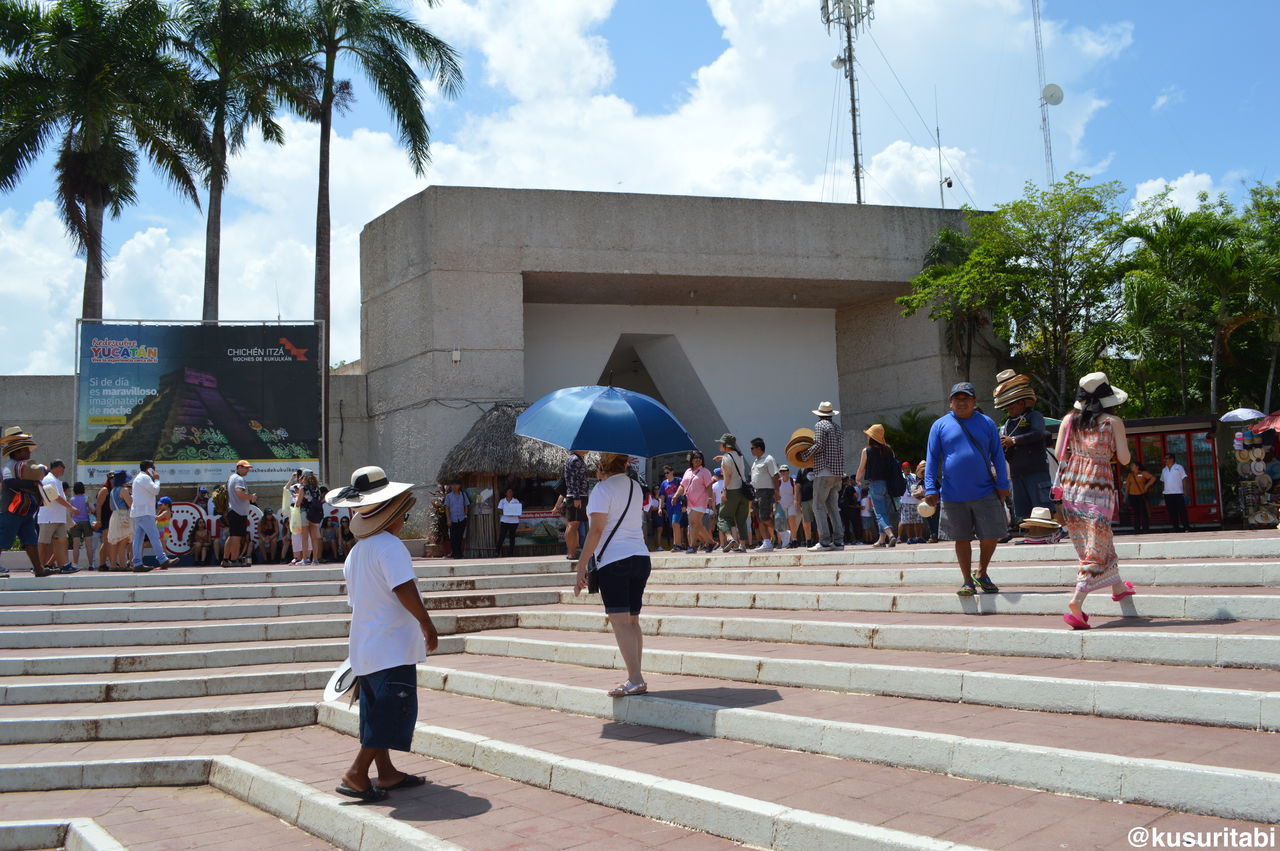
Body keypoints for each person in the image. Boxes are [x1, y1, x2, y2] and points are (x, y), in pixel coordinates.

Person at [327, 466, 437, 802]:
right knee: (391, 714)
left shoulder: (357, 552)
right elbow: (403, 588)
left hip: (366, 647)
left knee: (376, 713)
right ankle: (357, 773)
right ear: (392, 513)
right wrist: (426, 623)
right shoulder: (390, 546)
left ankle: (386, 772)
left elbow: (358, 599)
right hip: (390, 648)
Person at [1056, 372, 1136, 629]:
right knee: (1094, 549)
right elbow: (1124, 459)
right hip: (1098, 489)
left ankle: (1119, 587)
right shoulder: (1113, 422)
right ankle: (1077, 602)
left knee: (1097, 541)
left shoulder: (1069, 420)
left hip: (1072, 489)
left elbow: (1060, 454)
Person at [572, 452, 651, 697]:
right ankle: (636, 676)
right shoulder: (636, 488)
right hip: (640, 556)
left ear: (601, 468)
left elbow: (596, 530)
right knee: (633, 620)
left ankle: (635, 679)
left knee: (620, 622)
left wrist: (581, 565)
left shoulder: (601, 490)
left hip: (615, 560)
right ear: (625, 464)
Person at [923, 382, 1011, 596]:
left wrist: (1003, 484)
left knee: (991, 535)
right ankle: (967, 581)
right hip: (953, 493)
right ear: (950, 402)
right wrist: (930, 488)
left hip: (985, 490)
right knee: (961, 538)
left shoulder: (987, 423)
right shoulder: (940, 425)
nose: (962, 402)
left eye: (966, 399)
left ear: (974, 402)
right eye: (957, 399)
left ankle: (981, 572)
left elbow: (998, 455)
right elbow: (932, 458)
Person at [994, 370, 1053, 531]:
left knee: (1041, 507)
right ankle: (1032, 534)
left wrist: (1013, 440)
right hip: (1017, 473)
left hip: (1035, 470)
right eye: (1008, 406)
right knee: (1024, 508)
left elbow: (1038, 433)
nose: (1010, 409)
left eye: (1012, 405)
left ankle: (1046, 533)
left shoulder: (1035, 416)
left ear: (1021, 402)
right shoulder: (1007, 424)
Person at [799, 401, 846, 551]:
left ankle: (825, 541)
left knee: (818, 506)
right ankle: (839, 541)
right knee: (833, 507)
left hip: (824, 471)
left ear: (819, 415)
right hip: (837, 473)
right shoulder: (837, 428)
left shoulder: (820, 426)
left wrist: (805, 455)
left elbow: (819, 444)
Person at [0, 428, 46, 576]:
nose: (29, 452)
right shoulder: (9, 466)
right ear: (17, 451)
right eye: (25, 450)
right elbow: (8, 484)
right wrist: (33, 484)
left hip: (25, 509)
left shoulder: (23, 467)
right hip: (11, 509)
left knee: (30, 540)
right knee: (3, 539)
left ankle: (39, 569)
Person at [856, 424, 898, 548]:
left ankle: (890, 535)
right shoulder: (888, 449)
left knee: (879, 513)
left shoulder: (866, 450)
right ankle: (881, 540)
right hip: (888, 484)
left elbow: (861, 468)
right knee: (884, 512)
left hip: (875, 484)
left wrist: (857, 479)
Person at [131, 461, 174, 572]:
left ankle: (137, 563)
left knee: (138, 539)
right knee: (154, 536)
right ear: (149, 469)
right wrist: (157, 479)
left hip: (138, 513)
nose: (155, 470)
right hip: (145, 512)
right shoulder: (145, 478)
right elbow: (155, 490)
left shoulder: (139, 478)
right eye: (153, 468)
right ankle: (163, 559)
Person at [37, 460, 77, 573]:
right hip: (49, 517)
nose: (63, 470)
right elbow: (55, 497)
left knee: (62, 541)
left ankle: (63, 565)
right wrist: (71, 508)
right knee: (43, 542)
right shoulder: (49, 479)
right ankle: (38, 566)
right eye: (62, 467)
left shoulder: (55, 480)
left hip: (58, 517)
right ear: (58, 467)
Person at [714, 434, 750, 552]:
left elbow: (728, 475)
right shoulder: (739, 455)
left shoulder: (726, 457)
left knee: (723, 517)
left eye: (721, 443)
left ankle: (730, 539)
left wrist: (724, 490)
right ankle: (743, 545)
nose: (719, 445)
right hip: (743, 491)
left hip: (732, 490)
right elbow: (732, 461)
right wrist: (722, 458)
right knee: (741, 519)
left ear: (726, 445)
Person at [676, 451, 715, 554]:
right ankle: (711, 543)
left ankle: (692, 546)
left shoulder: (705, 471)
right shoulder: (688, 471)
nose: (698, 459)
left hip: (700, 501)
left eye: (700, 458)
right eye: (695, 457)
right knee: (698, 525)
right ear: (691, 460)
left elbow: (709, 486)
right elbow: (682, 485)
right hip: (689, 502)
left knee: (693, 523)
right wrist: (676, 495)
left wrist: (710, 499)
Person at [747, 438, 781, 552]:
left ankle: (781, 532)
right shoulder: (756, 461)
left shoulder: (768, 459)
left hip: (766, 491)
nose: (751, 450)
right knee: (759, 519)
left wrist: (776, 491)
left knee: (765, 517)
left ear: (759, 448)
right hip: (756, 492)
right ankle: (766, 542)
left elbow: (775, 476)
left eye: (752, 448)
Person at [223, 460, 257, 567]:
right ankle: (233, 560)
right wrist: (251, 497)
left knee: (232, 536)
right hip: (238, 512)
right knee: (237, 538)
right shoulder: (239, 479)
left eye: (248, 468)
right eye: (245, 468)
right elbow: (239, 493)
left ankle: (225, 559)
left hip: (233, 510)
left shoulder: (231, 477)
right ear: (239, 467)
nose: (247, 470)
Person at [561, 449, 588, 560]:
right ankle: (571, 553)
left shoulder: (577, 459)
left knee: (575, 525)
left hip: (578, 496)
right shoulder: (575, 460)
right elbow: (573, 480)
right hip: (576, 497)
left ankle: (574, 551)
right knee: (572, 525)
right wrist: (576, 497)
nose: (587, 449)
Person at [106, 471, 133, 571]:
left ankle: (113, 565)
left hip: (114, 516)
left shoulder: (112, 491)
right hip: (123, 515)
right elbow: (130, 504)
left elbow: (110, 506)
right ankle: (122, 565)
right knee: (123, 541)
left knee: (114, 541)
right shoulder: (124, 490)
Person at [1161, 453, 1191, 533]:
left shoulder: (1179, 467)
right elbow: (1163, 481)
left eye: (1167, 458)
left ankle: (1186, 527)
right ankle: (1176, 528)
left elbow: (1184, 479)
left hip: (1178, 492)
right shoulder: (1164, 470)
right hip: (1167, 493)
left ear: (1172, 459)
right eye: (1165, 459)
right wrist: (1163, 492)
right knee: (1172, 511)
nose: (1165, 460)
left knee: (1182, 511)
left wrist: (1185, 491)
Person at [1124, 461, 1157, 534]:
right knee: (1136, 513)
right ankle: (1137, 529)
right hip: (1132, 495)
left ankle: (1145, 529)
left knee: (1144, 512)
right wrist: (1125, 497)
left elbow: (1153, 478)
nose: (1131, 467)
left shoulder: (1143, 473)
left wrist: (1147, 486)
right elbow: (1127, 486)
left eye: (1133, 465)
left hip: (1141, 495)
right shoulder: (1130, 475)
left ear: (1137, 467)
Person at [899, 462, 925, 544]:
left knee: (918, 520)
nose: (907, 469)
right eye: (905, 468)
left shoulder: (914, 476)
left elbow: (919, 485)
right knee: (907, 521)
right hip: (905, 501)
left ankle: (918, 537)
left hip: (916, 501)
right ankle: (910, 538)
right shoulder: (900, 477)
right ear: (902, 469)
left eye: (908, 467)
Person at [657, 466, 682, 551]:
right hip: (669, 507)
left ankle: (678, 545)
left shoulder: (678, 480)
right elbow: (662, 496)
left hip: (678, 506)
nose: (666, 474)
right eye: (665, 473)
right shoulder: (664, 483)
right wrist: (660, 508)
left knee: (675, 523)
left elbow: (685, 492)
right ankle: (676, 544)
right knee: (674, 525)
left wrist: (685, 505)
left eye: (667, 472)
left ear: (672, 472)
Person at [444, 479, 469, 559]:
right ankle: (455, 553)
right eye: (453, 485)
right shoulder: (448, 496)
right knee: (453, 537)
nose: (454, 486)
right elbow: (447, 508)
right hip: (453, 519)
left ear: (459, 486)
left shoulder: (463, 495)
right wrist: (448, 519)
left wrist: (465, 515)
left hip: (461, 518)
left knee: (460, 536)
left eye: (456, 484)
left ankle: (459, 553)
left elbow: (466, 505)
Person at [93, 470, 114, 571]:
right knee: (107, 541)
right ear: (108, 479)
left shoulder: (113, 489)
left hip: (112, 518)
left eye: (114, 478)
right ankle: (107, 563)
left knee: (108, 541)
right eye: (111, 478)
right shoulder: (105, 490)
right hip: (105, 519)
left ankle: (105, 563)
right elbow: (98, 505)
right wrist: (98, 520)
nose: (113, 480)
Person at [777, 465, 798, 548]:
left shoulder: (793, 481)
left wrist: (797, 502)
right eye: (781, 471)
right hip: (781, 505)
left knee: (792, 521)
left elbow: (796, 493)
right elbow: (776, 493)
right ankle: (785, 541)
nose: (783, 473)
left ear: (788, 471)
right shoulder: (778, 482)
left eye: (784, 471)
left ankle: (794, 540)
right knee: (782, 524)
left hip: (791, 504)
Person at [497, 487, 522, 557]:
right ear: (506, 493)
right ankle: (497, 552)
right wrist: (507, 512)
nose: (510, 493)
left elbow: (519, 510)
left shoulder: (516, 501)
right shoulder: (502, 501)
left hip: (514, 522)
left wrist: (512, 512)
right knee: (502, 537)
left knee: (512, 537)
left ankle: (511, 553)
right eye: (508, 492)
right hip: (504, 521)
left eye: (511, 492)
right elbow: (499, 510)